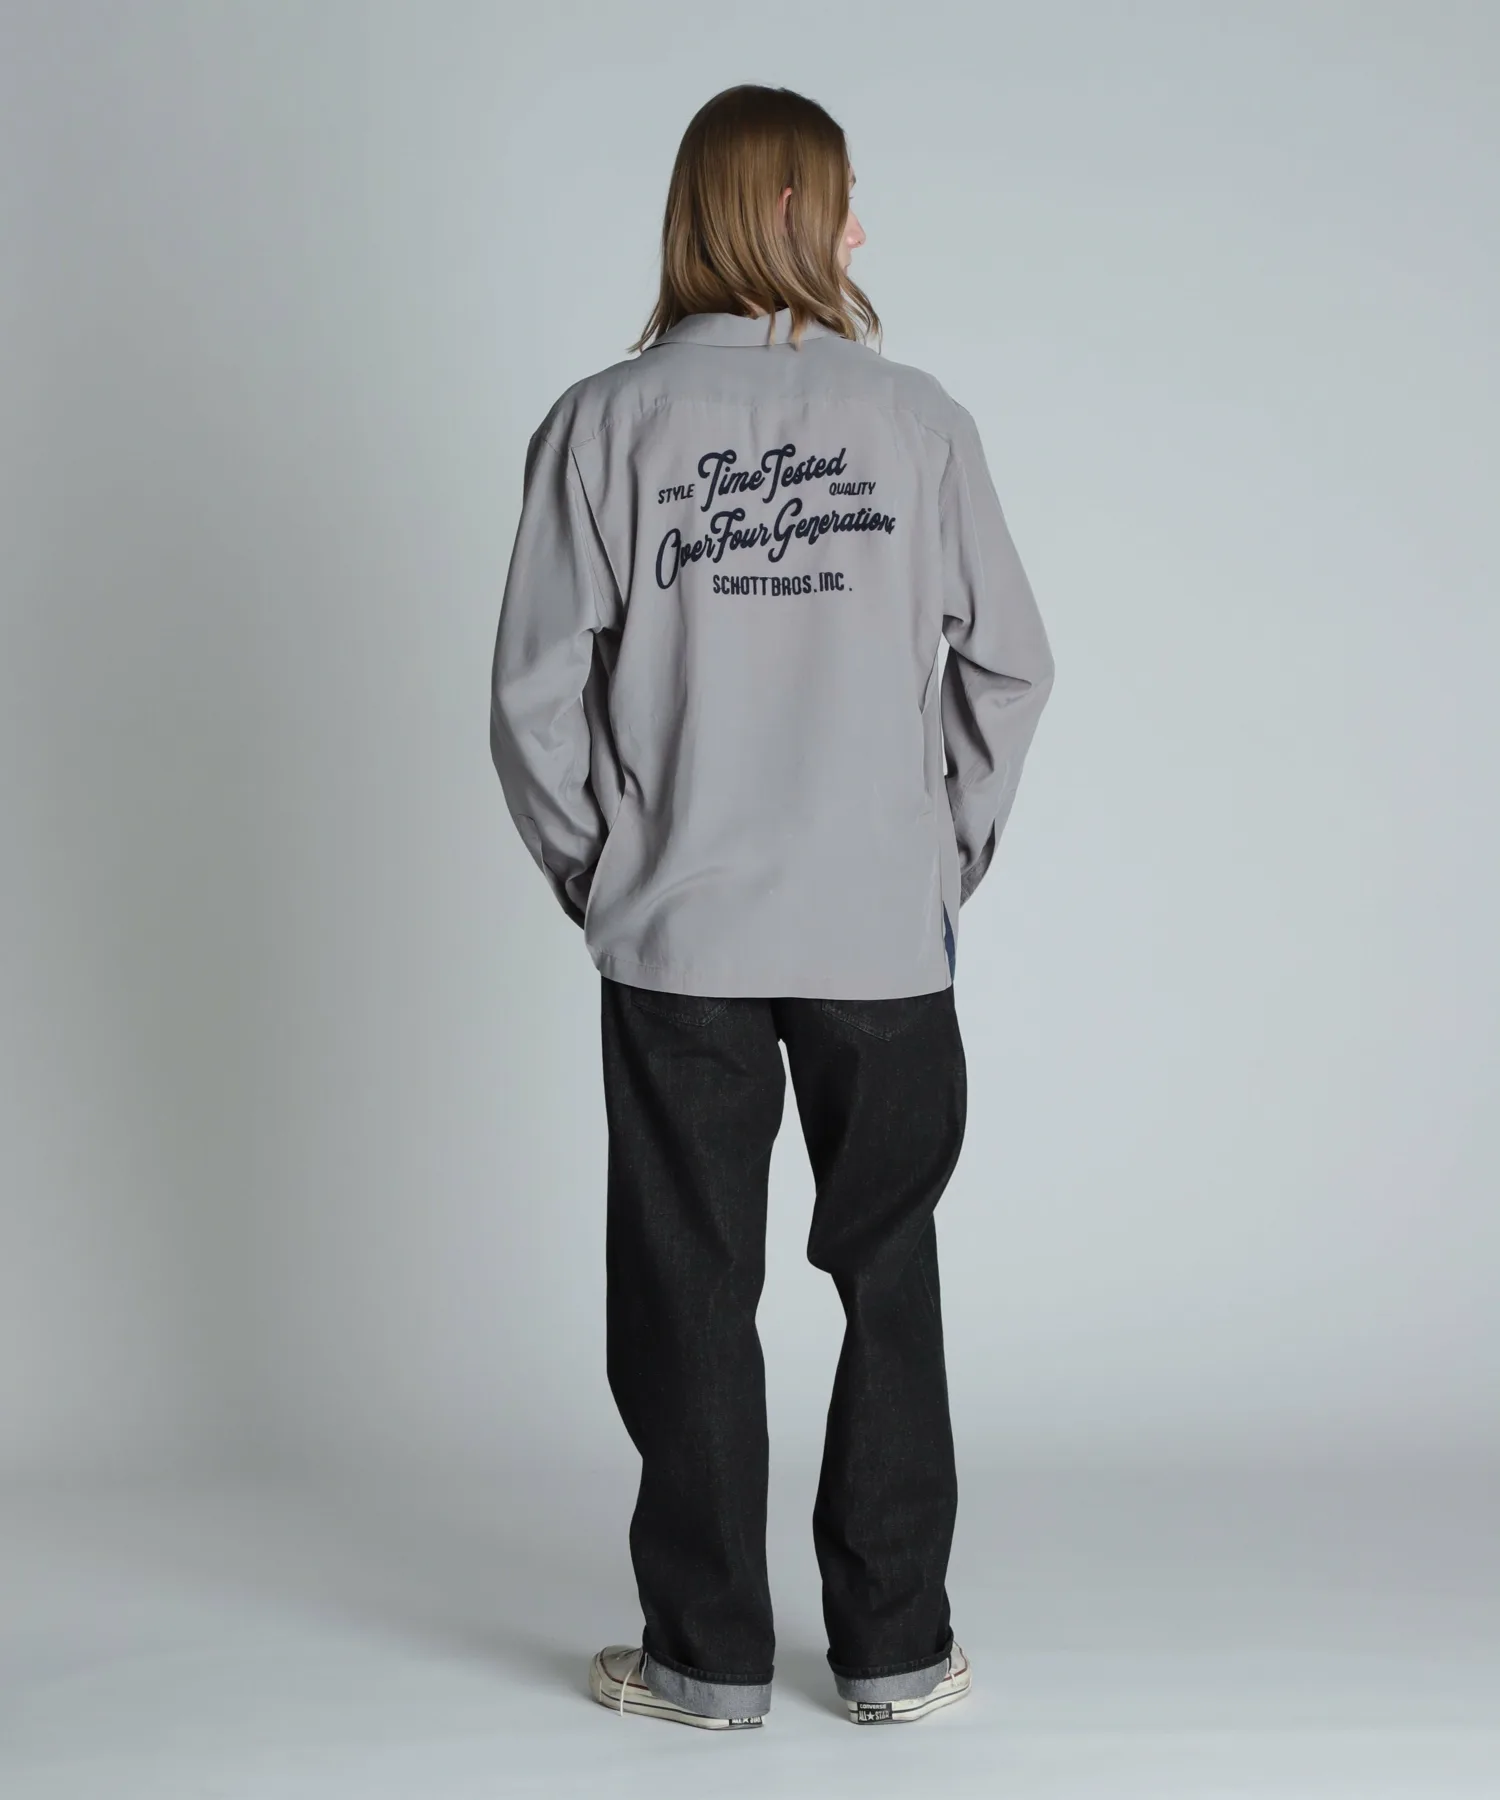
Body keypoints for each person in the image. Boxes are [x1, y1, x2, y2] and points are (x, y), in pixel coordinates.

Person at [489, 83, 1055, 1729]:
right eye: (845, 197)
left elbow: (533, 698)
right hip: (879, 932)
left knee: (687, 1285)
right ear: (790, 210)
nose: (863, 229)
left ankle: (707, 1661)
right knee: (888, 1275)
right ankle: (893, 1650)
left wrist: (603, 871)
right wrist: (940, 853)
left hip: (684, 934)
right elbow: (1011, 668)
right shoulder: (918, 422)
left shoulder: (603, 424)